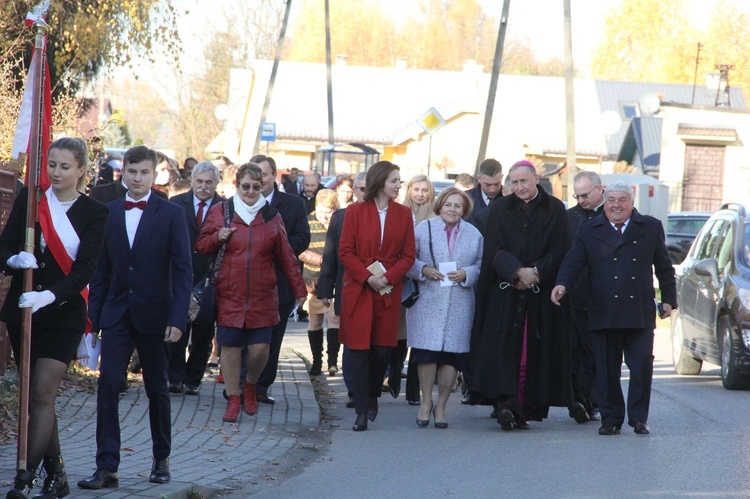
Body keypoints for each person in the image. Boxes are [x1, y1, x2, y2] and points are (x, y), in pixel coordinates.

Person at [80, 145, 193, 489]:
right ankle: (106, 466)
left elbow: (183, 269)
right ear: (122, 172)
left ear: (155, 175)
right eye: (132, 171)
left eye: (145, 172)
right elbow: (101, 270)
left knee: (157, 387)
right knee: (107, 384)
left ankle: (161, 458)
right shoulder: (108, 212)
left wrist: (177, 317)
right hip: (116, 312)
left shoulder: (171, 214)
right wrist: (93, 322)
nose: (138, 178)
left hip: (156, 314)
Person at [2, 138, 108, 499]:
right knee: (36, 399)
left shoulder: (95, 212)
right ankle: (58, 475)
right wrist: (13, 260)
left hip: (62, 313)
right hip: (25, 311)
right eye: (51, 165)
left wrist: (50, 295)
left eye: (65, 166)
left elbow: (84, 271)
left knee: (43, 391)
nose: (56, 172)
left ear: (81, 170)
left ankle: (23, 478)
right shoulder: (31, 199)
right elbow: (4, 245)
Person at [552, 181, 677, 437]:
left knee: (641, 366)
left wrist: (668, 300)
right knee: (606, 368)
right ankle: (611, 418)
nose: (616, 205)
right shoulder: (589, 229)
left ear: (632, 203)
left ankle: (639, 418)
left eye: (622, 200)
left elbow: (664, 267)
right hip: (602, 308)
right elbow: (574, 260)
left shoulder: (650, 227)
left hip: (638, 311)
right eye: (611, 200)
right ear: (605, 202)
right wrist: (562, 284)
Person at [196, 163, 306, 423]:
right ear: (237, 186)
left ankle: (251, 386)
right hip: (230, 291)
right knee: (230, 347)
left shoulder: (271, 216)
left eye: (256, 187)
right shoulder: (221, 211)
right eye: (245, 186)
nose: (250, 191)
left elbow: (287, 256)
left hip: (263, 293)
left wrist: (299, 289)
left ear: (264, 187)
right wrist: (218, 236)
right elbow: (201, 244)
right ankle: (234, 398)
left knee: (260, 350)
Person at [469, 160, 572, 431]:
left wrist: (536, 272)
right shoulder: (501, 208)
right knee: (504, 349)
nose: (519, 187)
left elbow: (561, 249)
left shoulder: (556, 209)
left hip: (540, 294)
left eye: (523, 181)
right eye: (514, 183)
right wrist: (516, 271)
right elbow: (493, 250)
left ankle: (525, 408)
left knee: (534, 353)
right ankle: (505, 404)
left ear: (536, 179)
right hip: (507, 291)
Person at [338, 160, 416, 431]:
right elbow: (345, 251)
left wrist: (388, 277)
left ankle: (373, 394)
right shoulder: (355, 212)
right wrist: (367, 277)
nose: (398, 185)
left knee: (382, 351)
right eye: (394, 180)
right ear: (380, 181)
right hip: (360, 290)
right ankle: (361, 410)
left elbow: (408, 255)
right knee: (359, 351)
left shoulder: (403, 214)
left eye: (399, 181)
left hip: (387, 291)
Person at [406, 187, 483, 429]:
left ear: (464, 210)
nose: (452, 210)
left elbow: (481, 265)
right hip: (429, 300)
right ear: (440, 205)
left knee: (452, 357)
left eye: (457, 206)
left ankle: (441, 407)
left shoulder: (474, 234)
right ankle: (425, 403)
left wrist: (467, 273)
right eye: (448, 204)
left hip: (459, 302)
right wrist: (423, 269)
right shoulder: (424, 228)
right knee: (427, 355)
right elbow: (408, 259)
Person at [251, 154, 311, 405]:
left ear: (273, 176)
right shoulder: (238, 202)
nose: (258, 181)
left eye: (262, 175)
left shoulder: (293, 204)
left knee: (272, 340)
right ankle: (241, 384)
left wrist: (275, 249)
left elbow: (302, 238)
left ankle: (262, 387)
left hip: (280, 283)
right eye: (253, 175)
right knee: (246, 338)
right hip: (246, 283)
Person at [168, 162, 223, 395]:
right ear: (191, 181)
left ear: (216, 183)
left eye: (209, 182)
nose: (203, 187)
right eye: (199, 181)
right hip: (180, 275)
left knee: (203, 332)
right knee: (177, 328)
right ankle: (175, 378)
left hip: (209, 278)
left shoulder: (225, 208)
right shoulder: (175, 204)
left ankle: (193, 379)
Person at [317, 172, 367, 408]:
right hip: (347, 287)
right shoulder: (340, 218)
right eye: (359, 188)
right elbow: (330, 257)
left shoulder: (386, 217)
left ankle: (369, 386)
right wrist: (325, 289)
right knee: (350, 340)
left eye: (368, 188)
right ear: (353, 191)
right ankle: (353, 390)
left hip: (377, 288)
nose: (363, 193)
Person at [390, 174, 437, 403]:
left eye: (425, 190)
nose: (420, 194)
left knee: (419, 339)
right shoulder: (398, 213)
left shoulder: (436, 217)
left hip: (426, 285)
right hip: (401, 282)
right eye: (416, 189)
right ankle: (394, 376)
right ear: (409, 191)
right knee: (399, 336)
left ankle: (413, 392)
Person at [565, 171, 605, 422]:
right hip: (574, 296)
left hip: (604, 296)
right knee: (575, 351)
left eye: (585, 195)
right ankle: (578, 400)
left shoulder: (614, 214)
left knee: (599, 352)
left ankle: (594, 400)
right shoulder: (568, 218)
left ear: (600, 189)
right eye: (577, 196)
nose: (581, 200)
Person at [298, 190, 339, 376]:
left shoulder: (340, 222)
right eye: (322, 211)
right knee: (315, 320)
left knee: (334, 319)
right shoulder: (307, 222)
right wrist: (322, 260)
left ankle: (332, 362)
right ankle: (316, 362)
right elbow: (299, 250)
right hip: (313, 280)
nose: (325, 216)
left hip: (335, 280)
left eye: (329, 211)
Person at [465, 158, 502, 227]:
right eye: (488, 185)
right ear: (479, 179)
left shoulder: (510, 199)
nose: (492, 189)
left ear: (501, 177)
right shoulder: (465, 199)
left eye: (497, 184)